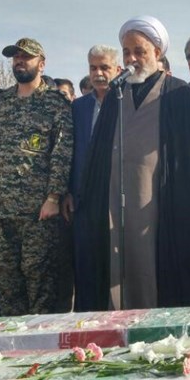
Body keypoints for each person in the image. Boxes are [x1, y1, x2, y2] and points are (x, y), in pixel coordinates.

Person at [80, 16, 190, 310]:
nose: (132, 59)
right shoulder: (115, 95)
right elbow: (98, 155)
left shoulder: (177, 93)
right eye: (127, 52)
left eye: (139, 51)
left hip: (160, 203)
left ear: (157, 52)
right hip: (115, 200)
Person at [0, 38, 73, 316]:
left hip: (38, 211)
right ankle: (11, 338)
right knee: (5, 281)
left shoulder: (55, 103)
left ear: (41, 63)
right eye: (16, 57)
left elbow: (62, 152)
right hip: (0, 209)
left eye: (26, 57)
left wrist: (53, 197)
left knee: (39, 280)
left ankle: (40, 338)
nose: (19, 62)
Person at [63, 45, 121, 310]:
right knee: (86, 267)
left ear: (117, 69)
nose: (98, 73)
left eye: (104, 68)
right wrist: (67, 191)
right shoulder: (78, 107)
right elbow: (69, 152)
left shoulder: (125, 102)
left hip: (116, 197)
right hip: (83, 199)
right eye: (93, 68)